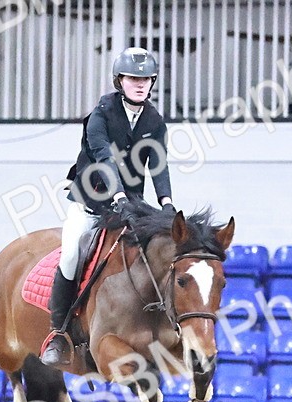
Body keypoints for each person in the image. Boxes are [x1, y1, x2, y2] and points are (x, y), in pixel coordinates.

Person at [41, 46, 175, 367]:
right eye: (133, 78)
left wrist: (167, 203)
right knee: (71, 253)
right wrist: (118, 197)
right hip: (90, 205)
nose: (140, 84)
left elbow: (158, 166)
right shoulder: (101, 115)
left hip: (130, 209)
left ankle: (154, 326)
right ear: (119, 81)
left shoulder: (154, 121)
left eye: (146, 79)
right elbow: (105, 160)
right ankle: (58, 332)